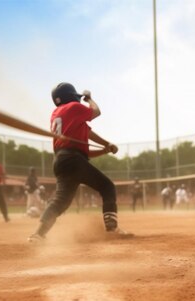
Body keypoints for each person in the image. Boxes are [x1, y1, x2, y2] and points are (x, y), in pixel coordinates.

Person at [28, 82, 132, 242]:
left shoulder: (57, 115)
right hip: (73, 159)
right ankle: (112, 229)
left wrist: (105, 147)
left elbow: (85, 147)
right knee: (107, 187)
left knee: (60, 202)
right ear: (71, 96)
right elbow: (96, 111)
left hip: (62, 161)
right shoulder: (73, 108)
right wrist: (89, 99)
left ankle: (38, 234)